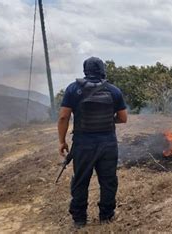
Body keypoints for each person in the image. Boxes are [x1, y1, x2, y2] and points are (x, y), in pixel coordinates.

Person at [57, 57, 127, 228]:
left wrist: (62, 142)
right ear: (103, 70)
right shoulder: (114, 90)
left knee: (80, 181)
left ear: (85, 70)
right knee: (108, 181)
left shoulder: (73, 89)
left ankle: (79, 220)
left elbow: (63, 117)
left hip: (82, 144)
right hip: (108, 144)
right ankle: (106, 217)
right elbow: (123, 118)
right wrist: (109, 121)